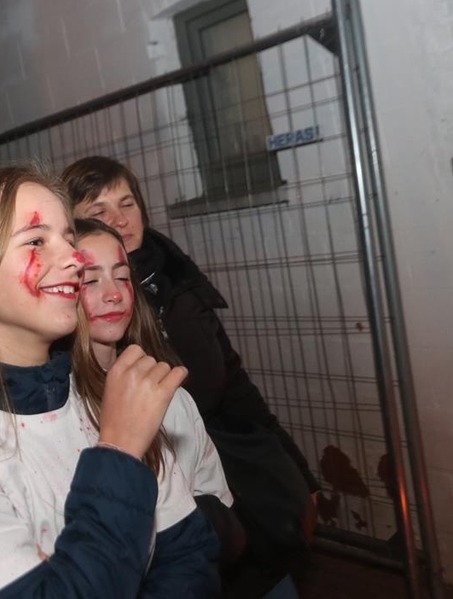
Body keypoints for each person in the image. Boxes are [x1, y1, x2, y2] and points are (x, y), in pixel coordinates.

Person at [0, 166, 217, 598]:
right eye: (36, 241)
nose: (75, 259)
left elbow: (188, 556)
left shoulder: (106, 401)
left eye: (69, 239)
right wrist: (120, 452)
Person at [62, 156, 320, 598]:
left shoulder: (178, 282)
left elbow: (236, 384)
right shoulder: (68, 384)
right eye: (99, 210)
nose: (119, 219)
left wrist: (297, 473)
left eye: (127, 203)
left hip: (232, 490)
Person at [72, 218, 247, 568]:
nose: (114, 293)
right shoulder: (57, 412)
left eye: (123, 277)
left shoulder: (170, 395)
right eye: (89, 280)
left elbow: (214, 497)